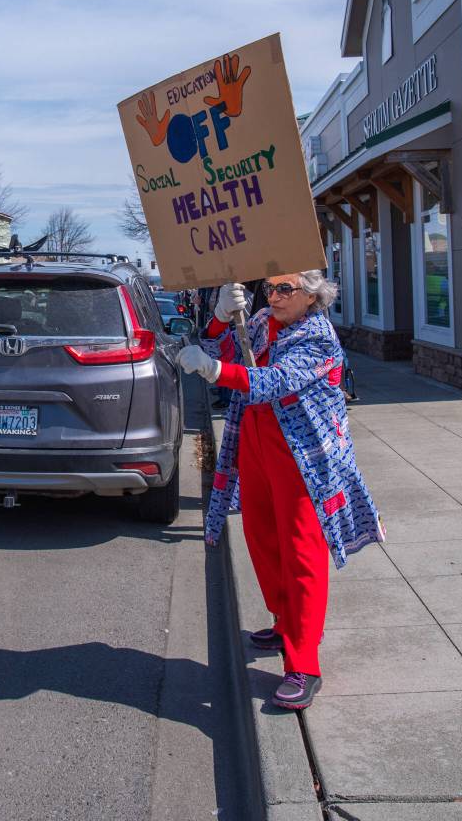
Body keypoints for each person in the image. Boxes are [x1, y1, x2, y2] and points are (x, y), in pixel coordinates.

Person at [177, 274, 384, 710]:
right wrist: (219, 318)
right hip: (256, 447)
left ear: (311, 295)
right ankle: (284, 621)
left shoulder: (318, 336)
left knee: (301, 555)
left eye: (285, 289)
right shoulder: (258, 322)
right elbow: (220, 346)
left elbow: (272, 381)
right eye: (270, 288)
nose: (273, 296)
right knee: (262, 540)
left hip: (303, 459)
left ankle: (304, 663)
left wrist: (213, 371)